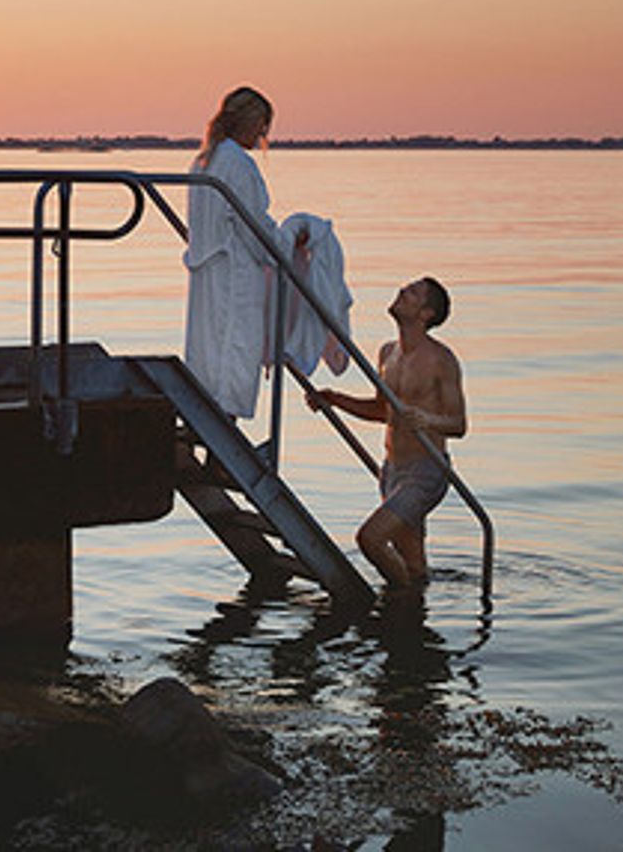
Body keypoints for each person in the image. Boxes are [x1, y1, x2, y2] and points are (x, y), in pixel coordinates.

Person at [305, 276, 467, 588]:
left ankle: (393, 608)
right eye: (408, 287)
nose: (403, 290)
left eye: (414, 292)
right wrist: (335, 399)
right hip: (391, 471)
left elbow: (458, 424)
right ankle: (411, 617)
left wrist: (426, 420)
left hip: (426, 472)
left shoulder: (441, 360)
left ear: (426, 314)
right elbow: (383, 411)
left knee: (371, 539)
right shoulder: (387, 353)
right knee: (414, 567)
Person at [184, 85, 298, 418]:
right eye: (263, 125)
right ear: (250, 121)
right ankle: (224, 441)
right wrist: (289, 242)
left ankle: (209, 431)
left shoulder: (204, 160)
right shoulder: (238, 164)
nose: (264, 134)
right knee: (232, 354)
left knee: (209, 355)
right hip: (234, 276)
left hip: (208, 273)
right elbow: (255, 230)